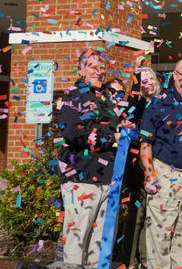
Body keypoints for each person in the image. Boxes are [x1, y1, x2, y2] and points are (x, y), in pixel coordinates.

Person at [139, 59, 182, 269]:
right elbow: (145, 143)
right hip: (166, 174)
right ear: (175, 75)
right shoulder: (159, 102)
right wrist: (150, 174)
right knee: (160, 231)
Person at [56, 49, 122, 267]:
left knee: (98, 247)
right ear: (81, 70)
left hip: (105, 180)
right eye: (93, 66)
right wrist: (111, 137)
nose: (99, 71)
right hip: (81, 180)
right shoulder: (74, 96)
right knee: (77, 244)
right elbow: (72, 132)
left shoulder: (104, 98)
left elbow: (113, 127)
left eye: (102, 67)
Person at [121, 58, 162, 269]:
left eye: (151, 79)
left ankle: (147, 259)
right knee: (136, 216)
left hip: (160, 167)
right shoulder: (137, 106)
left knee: (153, 216)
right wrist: (136, 74)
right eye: (143, 81)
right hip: (138, 168)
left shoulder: (164, 103)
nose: (149, 83)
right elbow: (128, 111)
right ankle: (130, 261)